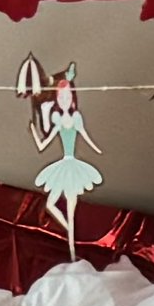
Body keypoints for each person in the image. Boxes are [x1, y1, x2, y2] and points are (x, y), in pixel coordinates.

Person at [21, 56, 104, 256]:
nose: (64, 99)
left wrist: (99, 151)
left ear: (72, 98)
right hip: (63, 165)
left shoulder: (76, 118)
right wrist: (33, 132)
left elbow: (86, 137)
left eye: (67, 96)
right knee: (51, 204)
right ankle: (70, 234)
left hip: (74, 165)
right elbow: (43, 145)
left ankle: (72, 245)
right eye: (61, 97)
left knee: (71, 206)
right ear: (57, 99)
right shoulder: (57, 118)